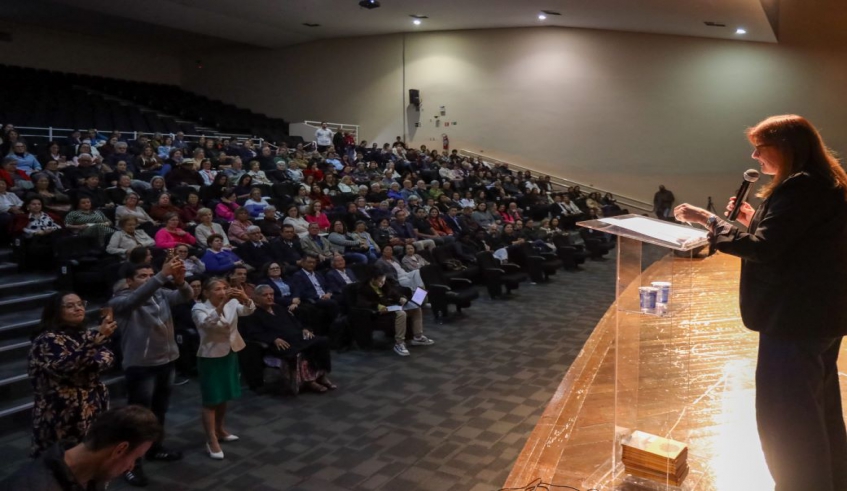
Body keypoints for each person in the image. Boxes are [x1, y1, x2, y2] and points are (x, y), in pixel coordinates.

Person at [673, 114, 847, 491]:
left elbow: (764, 250)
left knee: (787, 419)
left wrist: (709, 220)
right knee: (817, 410)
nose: (754, 156)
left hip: (793, 320)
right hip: (818, 317)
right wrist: (753, 218)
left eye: (759, 148)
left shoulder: (800, 186)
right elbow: (798, 241)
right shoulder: (824, 182)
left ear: (785, 148)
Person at [108, 259, 192, 486]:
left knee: (159, 412)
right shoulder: (119, 300)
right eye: (142, 276)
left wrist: (181, 282)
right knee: (138, 418)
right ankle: (131, 464)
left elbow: (185, 296)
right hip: (141, 365)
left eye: (149, 275)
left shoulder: (160, 293)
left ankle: (155, 448)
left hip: (166, 360)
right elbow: (136, 299)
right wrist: (161, 276)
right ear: (129, 281)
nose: (148, 279)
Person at [27, 293, 117, 457]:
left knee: (91, 454)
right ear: (56, 311)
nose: (78, 308)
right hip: (61, 410)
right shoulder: (47, 339)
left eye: (80, 304)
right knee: (62, 460)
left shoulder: (85, 333)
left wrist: (88, 358)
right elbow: (64, 368)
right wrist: (92, 349)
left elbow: (107, 357)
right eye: (70, 306)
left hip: (90, 404)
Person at [0, 406, 162, 491]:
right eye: (135, 458)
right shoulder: (34, 486)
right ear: (120, 449)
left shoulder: (90, 474)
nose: (131, 467)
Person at [191, 278, 255, 460]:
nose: (223, 292)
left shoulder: (232, 303)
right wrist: (221, 305)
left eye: (225, 288)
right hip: (210, 357)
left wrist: (245, 298)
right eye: (218, 289)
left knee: (224, 395)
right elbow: (207, 325)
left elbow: (248, 311)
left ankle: (220, 429)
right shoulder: (199, 308)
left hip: (230, 352)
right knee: (211, 399)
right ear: (206, 293)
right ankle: (211, 439)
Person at [242, 285, 335, 393]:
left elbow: (294, 321)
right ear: (256, 297)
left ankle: (321, 376)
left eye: (271, 294)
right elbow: (254, 333)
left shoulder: (278, 307)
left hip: (297, 336)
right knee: (300, 351)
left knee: (322, 341)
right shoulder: (252, 313)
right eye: (265, 295)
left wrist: (304, 329)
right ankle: (310, 381)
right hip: (280, 342)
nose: (269, 297)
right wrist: (273, 339)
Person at [356, 269, 433, 357]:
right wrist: (377, 306)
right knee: (401, 313)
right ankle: (399, 343)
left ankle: (418, 337)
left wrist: (401, 298)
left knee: (416, 309)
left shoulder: (385, 285)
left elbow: (394, 293)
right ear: (373, 279)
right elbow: (362, 303)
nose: (382, 283)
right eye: (380, 281)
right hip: (378, 313)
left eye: (383, 281)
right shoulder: (364, 289)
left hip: (390, 308)